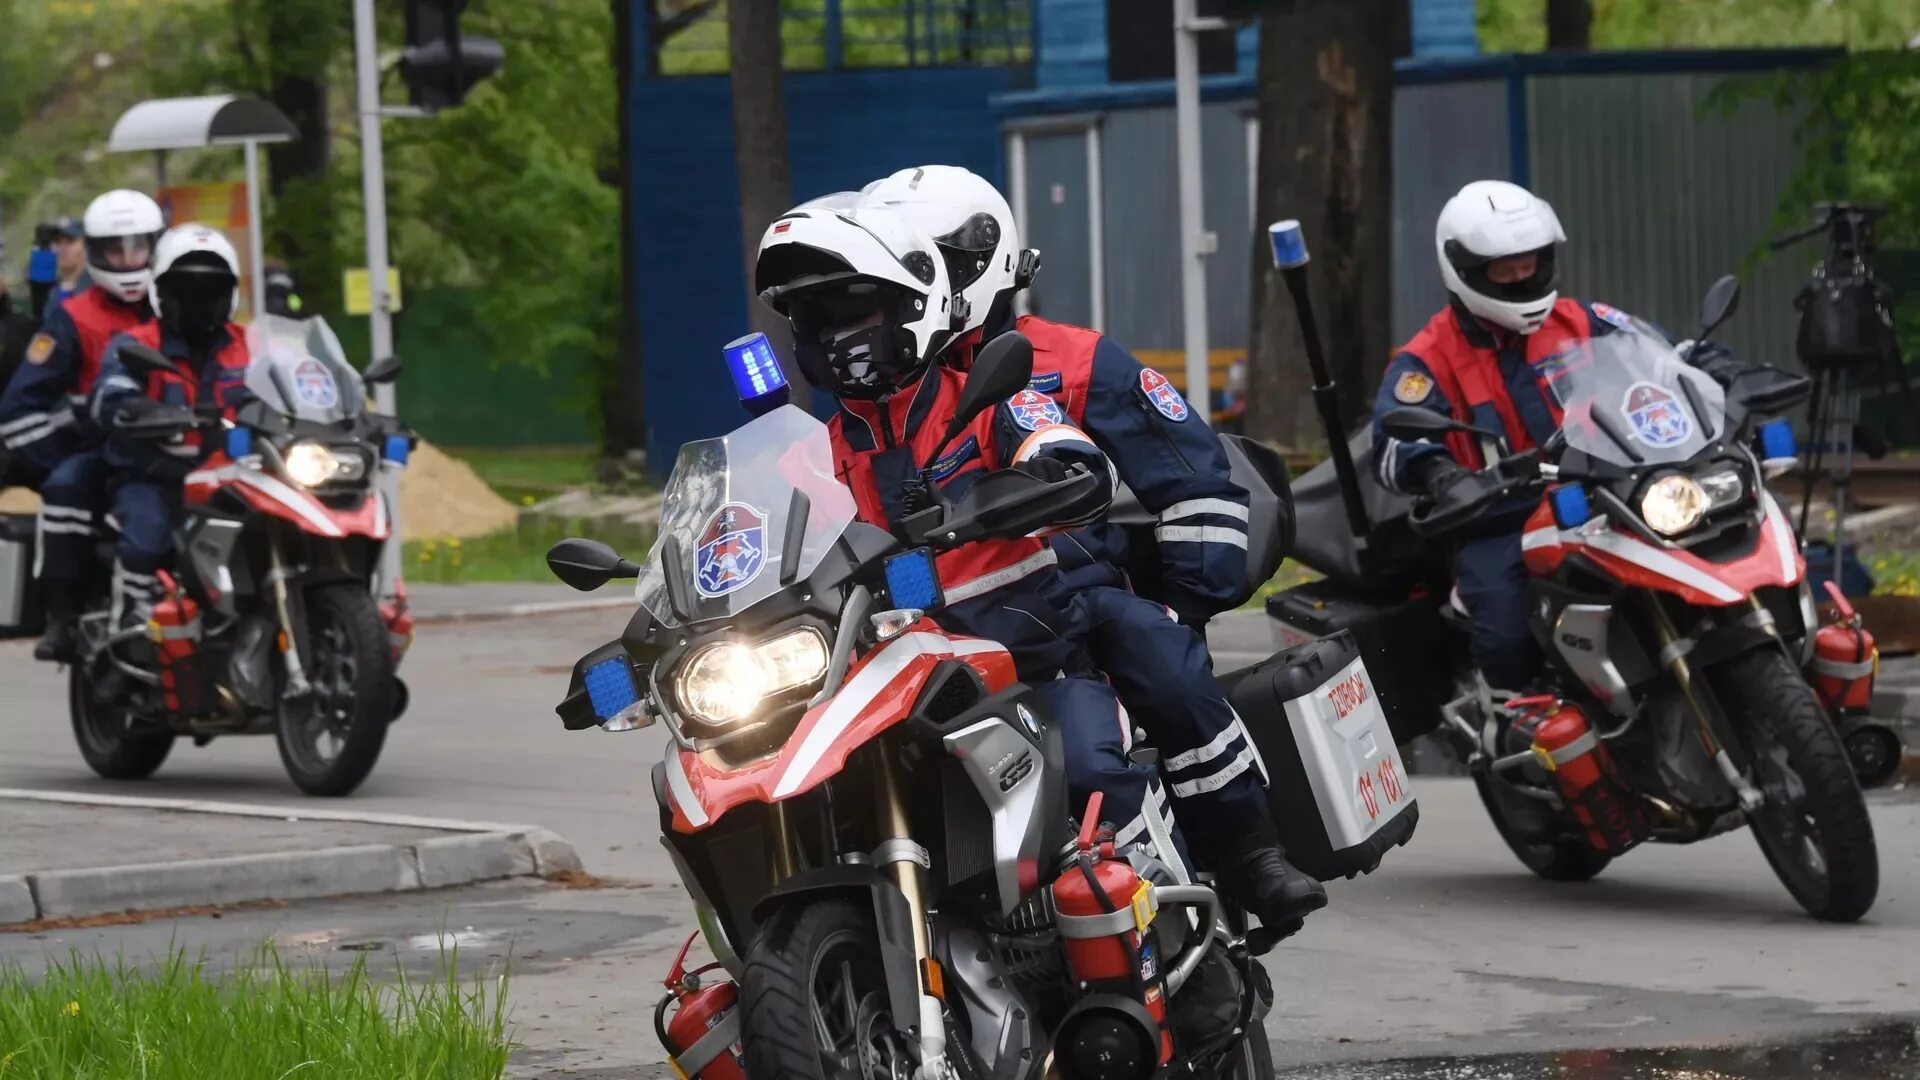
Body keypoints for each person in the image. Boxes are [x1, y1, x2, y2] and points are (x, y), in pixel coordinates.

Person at [758, 195, 1324, 932]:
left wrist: (1180, 592)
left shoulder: (1005, 389)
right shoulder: (812, 449)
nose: (841, 335)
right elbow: (763, 544)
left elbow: (1118, 461)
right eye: (820, 317)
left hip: (1044, 634)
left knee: (1136, 700)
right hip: (895, 676)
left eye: (858, 309)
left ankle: (1233, 875)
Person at [1371, 180, 1742, 690]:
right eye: (1506, 270)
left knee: (1717, 551)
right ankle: (1512, 721)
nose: (1523, 277)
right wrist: (1438, 473)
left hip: (1608, 495)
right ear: (1464, 271)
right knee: (1506, 636)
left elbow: (1661, 355)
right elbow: (1392, 444)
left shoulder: (1582, 320)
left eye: (1532, 263)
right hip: (1505, 519)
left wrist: (1714, 367)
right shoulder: (1427, 358)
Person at [1, 190, 164, 660]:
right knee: (66, 486)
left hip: (177, 444)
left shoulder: (177, 304)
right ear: (96, 252)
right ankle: (64, 617)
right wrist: (58, 457)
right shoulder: (72, 317)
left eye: (140, 247)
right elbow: (18, 407)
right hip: (100, 447)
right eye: (117, 249)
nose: (130, 259)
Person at [90, 223, 251, 631]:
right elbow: (108, 393)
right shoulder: (137, 342)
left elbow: (291, 383)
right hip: (156, 474)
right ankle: (128, 625)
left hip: (233, 478)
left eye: (211, 289)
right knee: (148, 533)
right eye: (186, 288)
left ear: (230, 293)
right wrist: (139, 409)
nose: (199, 299)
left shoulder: (250, 344)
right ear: (161, 290)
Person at [48, 217, 92, 306]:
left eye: (69, 242)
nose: (62, 248)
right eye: (57, 242)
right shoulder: (54, 290)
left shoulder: (96, 292)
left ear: (86, 245)